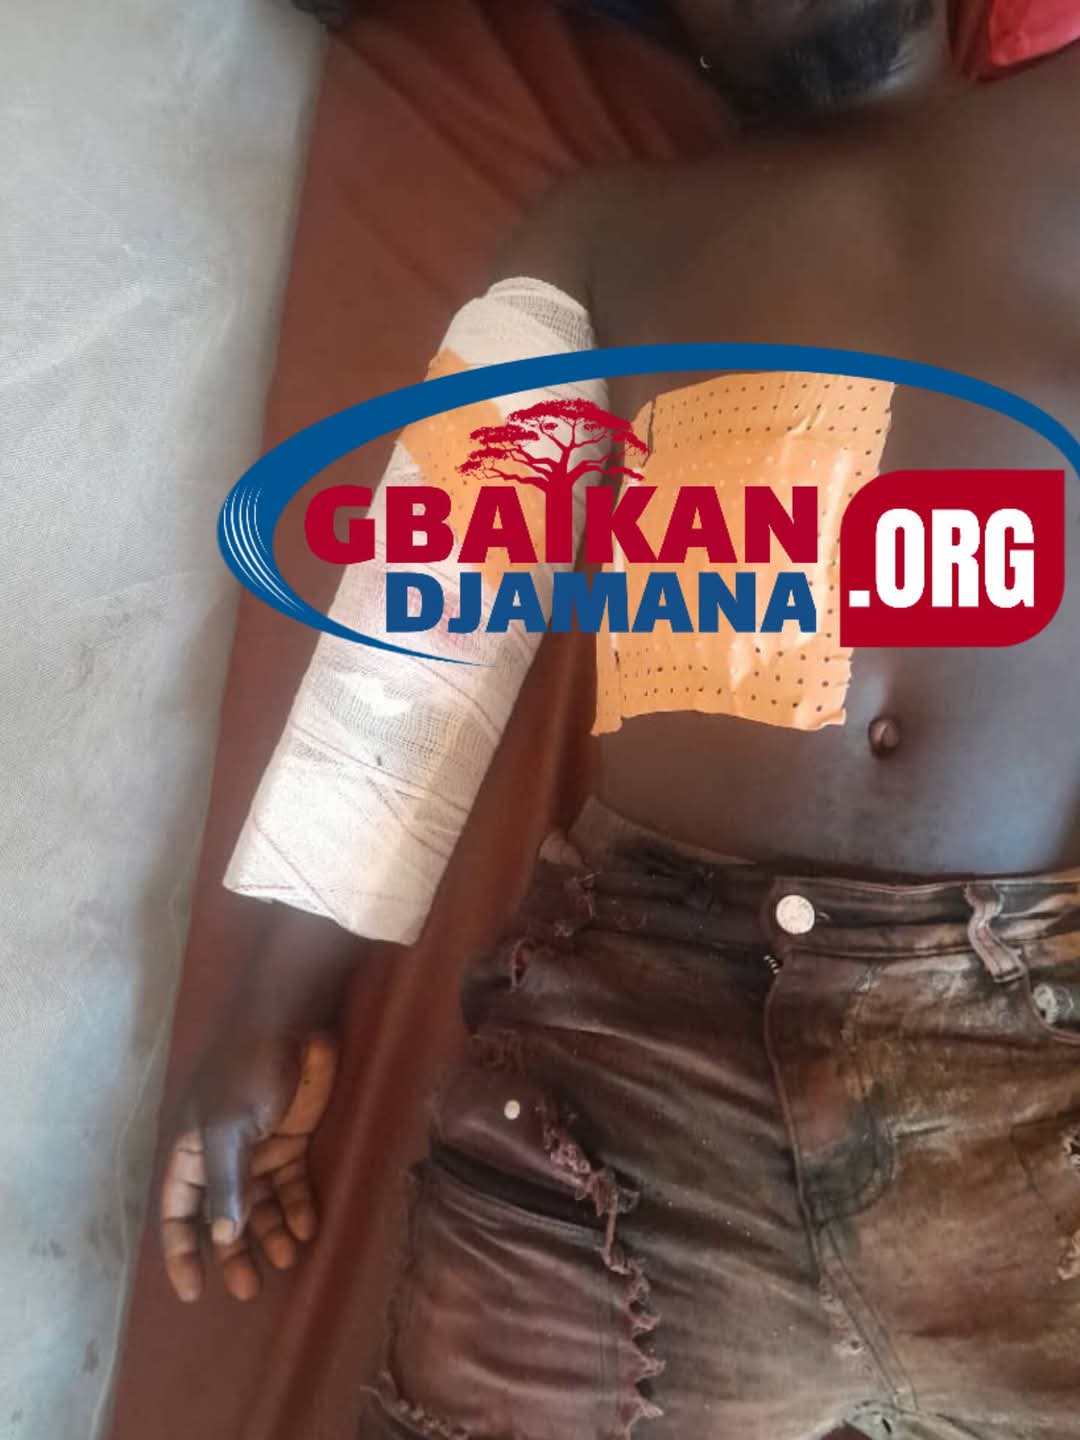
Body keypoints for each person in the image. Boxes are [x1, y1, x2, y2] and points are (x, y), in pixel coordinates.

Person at [160, 2, 1080, 1436]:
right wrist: (268, 1010)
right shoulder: (602, 237)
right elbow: (420, 636)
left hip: (1034, 1057)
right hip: (626, 1088)